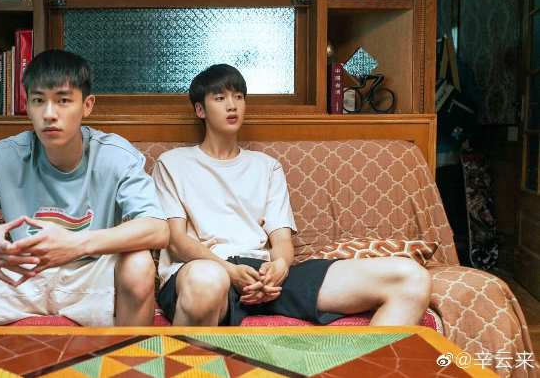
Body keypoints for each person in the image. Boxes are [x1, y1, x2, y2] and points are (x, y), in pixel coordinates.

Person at [153, 64, 431, 326]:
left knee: (411, 278)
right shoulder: (173, 163)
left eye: (238, 97)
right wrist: (228, 271)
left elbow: (282, 240)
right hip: (204, 269)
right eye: (220, 98)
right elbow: (176, 241)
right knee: (206, 280)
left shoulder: (267, 166)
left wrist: (280, 267)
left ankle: (363, 360)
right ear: (200, 109)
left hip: (263, 275)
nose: (232, 105)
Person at [0, 49, 169, 327]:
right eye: (39, 100)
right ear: (27, 106)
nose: (49, 114)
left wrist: (75, 245)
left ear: (87, 105)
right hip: (21, 275)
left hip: (90, 275)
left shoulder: (115, 155)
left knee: (139, 263)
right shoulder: (4, 157)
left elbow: (157, 229)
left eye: (63, 100)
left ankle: (131, 355)